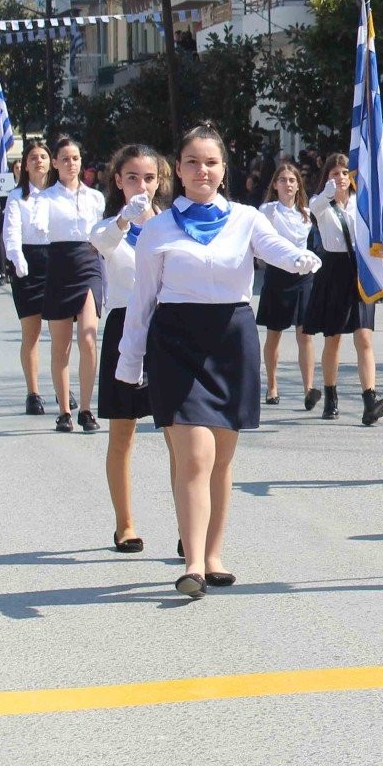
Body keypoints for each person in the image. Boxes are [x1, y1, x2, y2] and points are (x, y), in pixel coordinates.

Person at [116, 125, 322, 599]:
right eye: (192, 162)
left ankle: (213, 554)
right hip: (176, 344)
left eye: (210, 162)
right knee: (196, 454)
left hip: (231, 340)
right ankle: (191, 563)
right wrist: (130, 363)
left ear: (223, 170)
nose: (202, 170)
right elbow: (142, 299)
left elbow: (276, 251)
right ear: (178, 171)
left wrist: (302, 260)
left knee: (223, 458)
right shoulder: (158, 228)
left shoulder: (247, 218)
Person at [90, 144, 169, 553]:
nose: (142, 186)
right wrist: (125, 218)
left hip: (168, 326)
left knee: (179, 432)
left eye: (150, 178)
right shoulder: (111, 226)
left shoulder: (172, 223)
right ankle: (125, 524)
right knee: (123, 432)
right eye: (133, 177)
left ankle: (186, 526)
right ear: (118, 180)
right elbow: (100, 240)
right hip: (124, 325)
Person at [303, 153, 383, 426]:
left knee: (364, 337)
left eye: (345, 173)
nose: (341, 178)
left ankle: (370, 399)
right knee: (333, 339)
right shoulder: (321, 204)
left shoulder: (360, 203)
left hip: (359, 270)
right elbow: (315, 207)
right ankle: (330, 396)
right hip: (334, 270)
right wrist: (328, 193)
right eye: (335, 173)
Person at [36, 139, 107, 434]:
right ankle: (64, 409)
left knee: (89, 339)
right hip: (59, 264)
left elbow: (105, 233)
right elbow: (39, 228)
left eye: (75, 158)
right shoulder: (46, 198)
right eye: (64, 158)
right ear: (55, 163)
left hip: (89, 263)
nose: (71, 163)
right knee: (60, 345)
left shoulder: (95, 197)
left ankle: (88, 409)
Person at [255, 161, 318, 409]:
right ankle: (271, 385)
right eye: (283, 180)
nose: (288, 184)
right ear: (275, 184)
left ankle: (309, 389)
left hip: (303, 276)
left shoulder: (306, 213)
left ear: (298, 185)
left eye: (292, 180)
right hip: (278, 275)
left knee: (306, 334)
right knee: (274, 333)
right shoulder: (268, 211)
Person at [2, 143, 54, 415]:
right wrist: (17, 260)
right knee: (31, 333)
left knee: (61, 333)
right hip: (28, 263)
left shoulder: (59, 194)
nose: (39, 162)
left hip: (57, 261)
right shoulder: (16, 197)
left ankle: (62, 384)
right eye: (33, 158)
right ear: (25, 164)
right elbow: (11, 232)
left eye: (43, 157)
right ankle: (33, 392)